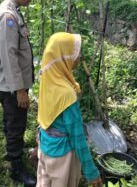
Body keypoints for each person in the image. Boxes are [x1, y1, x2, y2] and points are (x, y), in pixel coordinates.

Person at [36, 32, 102, 187]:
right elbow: (77, 136)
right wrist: (91, 171)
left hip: (45, 147)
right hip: (62, 157)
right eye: (75, 53)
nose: (78, 57)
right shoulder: (66, 94)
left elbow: (44, 115)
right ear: (64, 57)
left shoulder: (48, 78)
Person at [0, 0, 36, 186]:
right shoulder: (7, 16)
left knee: (12, 122)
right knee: (16, 124)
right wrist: (20, 90)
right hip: (12, 87)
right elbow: (10, 57)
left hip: (12, 84)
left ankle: (12, 154)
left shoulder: (14, 11)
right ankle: (16, 169)